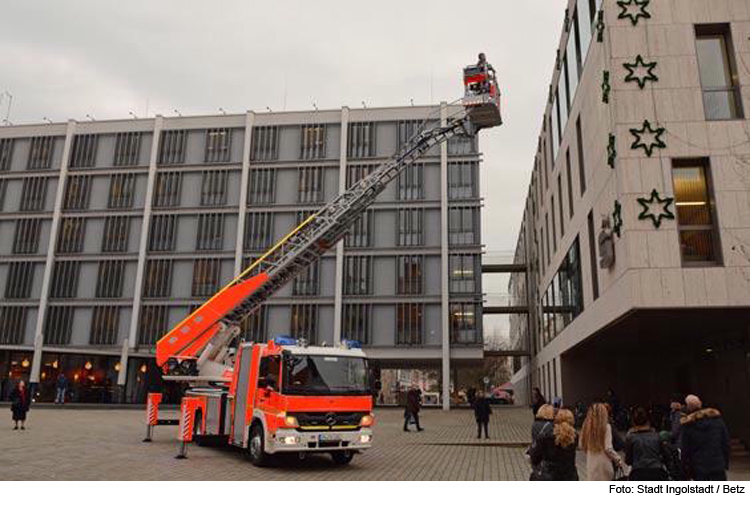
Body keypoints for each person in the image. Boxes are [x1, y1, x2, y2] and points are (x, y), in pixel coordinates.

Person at [680, 394, 730, 481]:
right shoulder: (717, 420)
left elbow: (685, 449)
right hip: (717, 464)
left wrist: (685, 469)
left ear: (688, 407)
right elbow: (725, 443)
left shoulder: (688, 425)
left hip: (699, 467)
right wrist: (724, 462)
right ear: (700, 403)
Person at [529, 408, 579, 481]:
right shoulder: (574, 437)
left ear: (556, 420)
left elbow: (535, 457)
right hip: (570, 476)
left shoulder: (546, 436)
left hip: (549, 476)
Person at [580, 403, 626, 481]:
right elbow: (608, 448)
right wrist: (618, 459)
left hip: (591, 463)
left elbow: (581, 445)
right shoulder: (606, 427)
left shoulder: (586, 427)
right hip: (604, 464)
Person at [625, 407, 668, 481]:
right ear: (648, 422)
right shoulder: (657, 436)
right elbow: (666, 455)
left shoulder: (631, 438)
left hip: (638, 472)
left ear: (634, 422)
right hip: (657, 471)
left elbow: (628, 460)